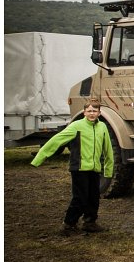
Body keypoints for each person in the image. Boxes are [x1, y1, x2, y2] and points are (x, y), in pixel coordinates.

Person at [31, 99, 114, 235]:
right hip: (79, 169)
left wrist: (109, 170)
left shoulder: (102, 127)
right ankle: (69, 224)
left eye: (94, 111)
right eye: (89, 111)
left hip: (94, 169)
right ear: (84, 112)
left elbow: (108, 149)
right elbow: (57, 140)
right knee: (80, 198)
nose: (92, 113)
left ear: (99, 113)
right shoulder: (76, 126)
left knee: (93, 197)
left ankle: (90, 223)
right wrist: (40, 157)